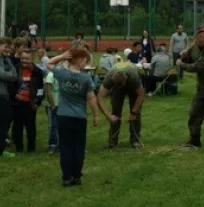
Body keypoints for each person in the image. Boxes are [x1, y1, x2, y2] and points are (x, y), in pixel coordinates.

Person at [47, 48, 99, 186]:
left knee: (65, 147)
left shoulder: (62, 74)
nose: (86, 64)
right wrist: (95, 115)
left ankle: (66, 176)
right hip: (79, 117)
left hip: (63, 115)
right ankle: (76, 175)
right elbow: (91, 98)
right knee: (78, 147)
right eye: (85, 61)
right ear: (79, 60)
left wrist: (62, 56)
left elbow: (49, 64)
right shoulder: (86, 78)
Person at [96, 65, 145, 149]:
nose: (121, 87)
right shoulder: (109, 78)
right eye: (118, 85)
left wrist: (133, 112)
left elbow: (141, 95)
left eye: (122, 85)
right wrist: (109, 116)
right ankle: (112, 141)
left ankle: (135, 140)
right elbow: (99, 98)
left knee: (136, 114)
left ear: (126, 79)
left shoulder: (133, 77)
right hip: (116, 87)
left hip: (132, 86)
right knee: (116, 111)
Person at [0, 37, 18, 158]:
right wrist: (10, 75)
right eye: (5, 47)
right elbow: (1, 74)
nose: (8, 50)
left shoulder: (7, 59)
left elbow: (14, 75)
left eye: (9, 47)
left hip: (6, 94)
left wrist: (9, 75)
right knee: (6, 118)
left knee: (4, 120)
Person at [12, 50, 44, 153]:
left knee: (30, 127)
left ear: (32, 59)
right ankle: (19, 147)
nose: (24, 61)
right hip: (17, 103)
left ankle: (31, 148)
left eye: (27, 59)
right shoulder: (15, 69)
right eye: (22, 58)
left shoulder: (37, 71)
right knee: (17, 126)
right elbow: (10, 85)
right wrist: (14, 95)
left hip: (31, 103)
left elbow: (40, 88)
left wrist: (37, 102)